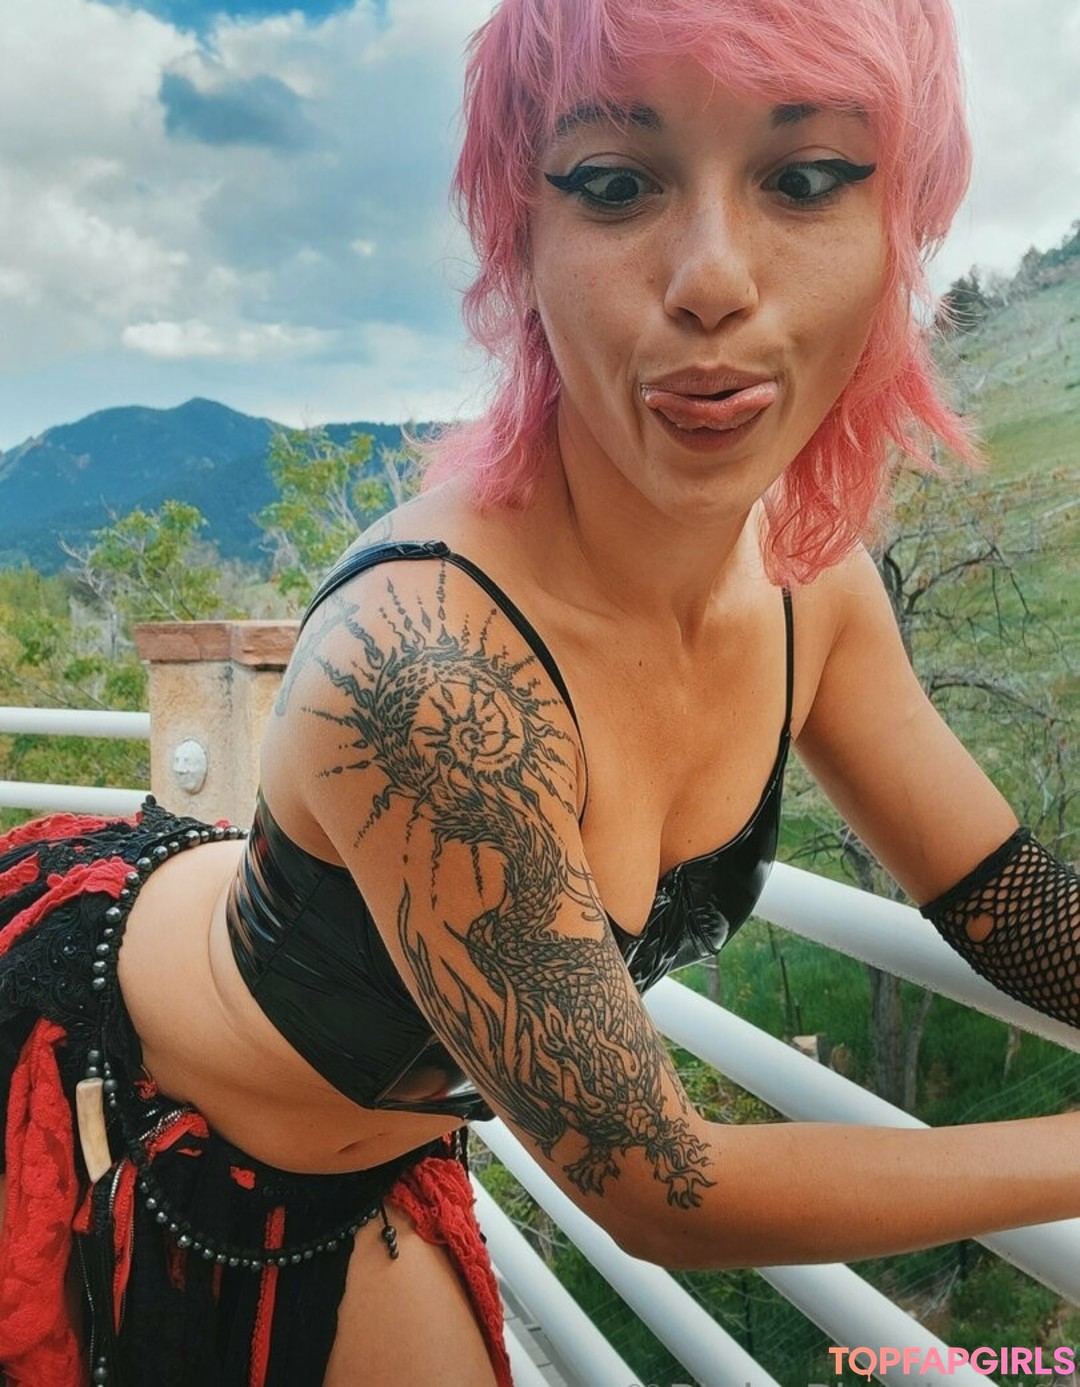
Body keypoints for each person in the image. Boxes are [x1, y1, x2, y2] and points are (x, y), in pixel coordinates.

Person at [1, 0, 1077, 1382]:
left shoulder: (814, 587)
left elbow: (999, 896)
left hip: (378, 1151)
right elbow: (658, 1186)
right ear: (521, 239)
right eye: (616, 185)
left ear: (900, 227)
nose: (712, 278)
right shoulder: (423, 667)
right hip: (116, 1080)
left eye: (807, 177)